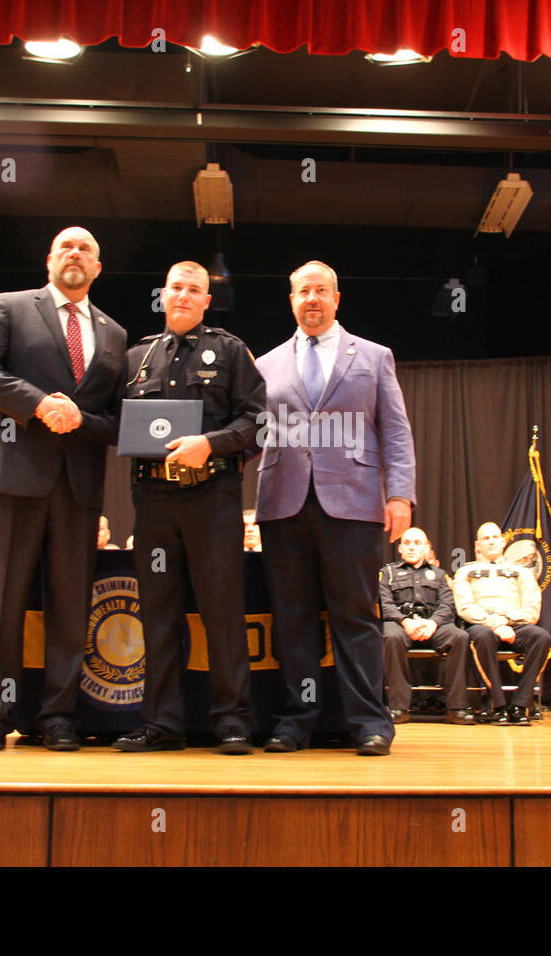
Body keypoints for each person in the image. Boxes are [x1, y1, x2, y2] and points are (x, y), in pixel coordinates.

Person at [0, 226, 126, 751]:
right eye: (66, 247)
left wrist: (80, 419)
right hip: (12, 480)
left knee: (70, 609)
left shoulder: (116, 334)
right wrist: (39, 404)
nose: (76, 254)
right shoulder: (10, 306)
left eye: (87, 250)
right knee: (2, 602)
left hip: (78, 488)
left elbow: (117, 421)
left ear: (98, 268)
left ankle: (59, 715)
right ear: (49, 258)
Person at [254, 260, 416, 756]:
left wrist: (400, 494)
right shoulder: (265, 364)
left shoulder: (373, 356)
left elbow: (395, 429)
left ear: (337, 298)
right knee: (293, 618)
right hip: (284, 505)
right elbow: (251, 433)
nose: (312, 299)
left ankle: (369, 722)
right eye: (303, 291)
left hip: (352, 504)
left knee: (355, 617)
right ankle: (296, 721)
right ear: (291, 300)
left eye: (321, 291)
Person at [113, 261, 265, 754]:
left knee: (222, 611)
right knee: (158, 614)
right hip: (153, 501)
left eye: (193, 289)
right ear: (163, 295)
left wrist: (211, 442)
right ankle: (162, 724)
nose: (182, 295)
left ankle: (232, 722)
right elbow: (114, 425)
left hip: (212, 498)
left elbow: (259, 425)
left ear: (206, 300)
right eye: (175, 287)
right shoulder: (136, 357)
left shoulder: (231, 351)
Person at [452, 522, 551, 726]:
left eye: (495, 537)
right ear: (477, 545)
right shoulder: (465, 572)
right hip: (483, 624)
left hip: (514, 624)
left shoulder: (521, 571)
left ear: (503, 541)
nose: (491, 541)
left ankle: (520, 705)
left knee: (542, 638)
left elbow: (532, 608)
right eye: (485, 538)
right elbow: (464, 607)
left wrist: (506, 620)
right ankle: (497, 706)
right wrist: (494, 624)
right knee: (481, 636)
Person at [380, 527, 476, 725]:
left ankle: (456, 708)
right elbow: (385, 605)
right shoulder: (387, 573)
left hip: (432, 626)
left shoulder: (440, 575)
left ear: (426, 548)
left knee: (460, 637)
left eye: (417, 543)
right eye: (407, 543)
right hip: (401, 625)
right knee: (390, 636)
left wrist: (433, 623)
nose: (412, 547)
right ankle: (399, 707)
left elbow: (447, 605)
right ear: (399, 548)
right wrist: (405, 622)